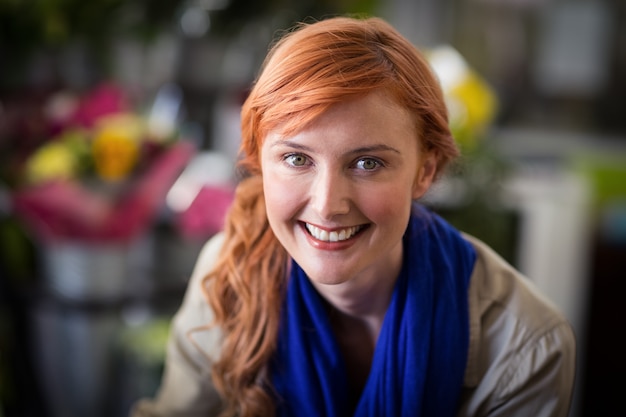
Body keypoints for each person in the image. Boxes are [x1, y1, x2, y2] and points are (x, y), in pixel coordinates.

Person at [131, 16, 576, 417]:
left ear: (425, 172)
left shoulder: (524, 345)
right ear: (260, 163)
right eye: (296, 159)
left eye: (367, 164)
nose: (327, 204)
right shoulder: (230, 271)